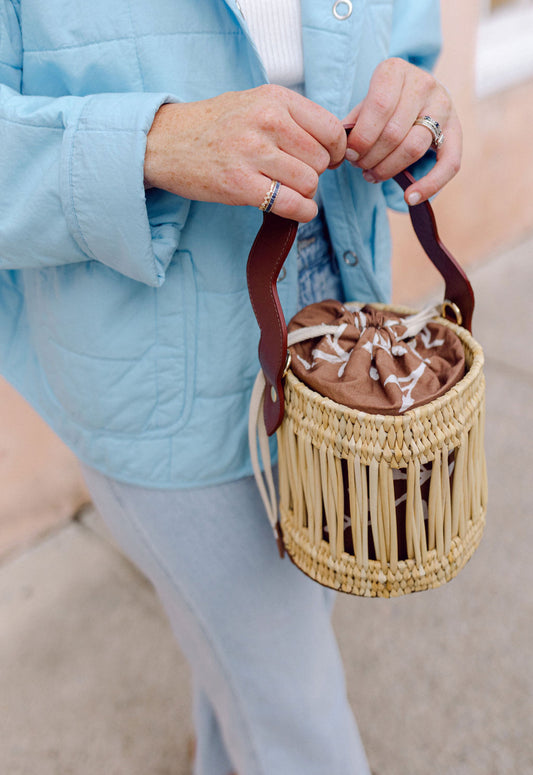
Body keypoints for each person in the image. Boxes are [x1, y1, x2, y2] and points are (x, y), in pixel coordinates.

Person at [0, 1, 461, 773]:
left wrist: (415, 104)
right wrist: (153, 142)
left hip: (342, 324)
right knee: (297, 719)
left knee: (253, 672)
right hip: (155, 357)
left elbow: (406, 35)